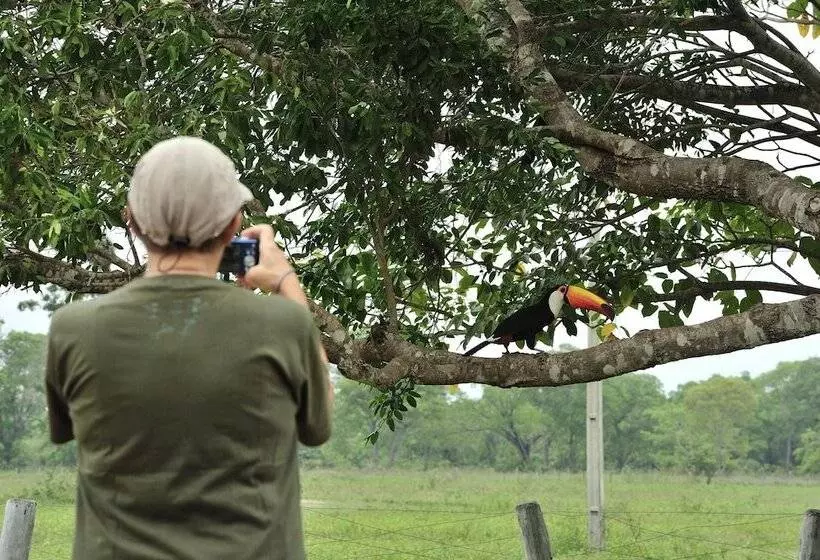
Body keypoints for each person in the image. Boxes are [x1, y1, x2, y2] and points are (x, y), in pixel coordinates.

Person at [44, 136, 333, 560]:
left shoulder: (74, 329)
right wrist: (286, 282)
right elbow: (318, 426)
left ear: (133, 223)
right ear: (235, 226)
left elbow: (66, 431)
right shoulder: (284, 324)